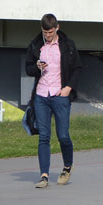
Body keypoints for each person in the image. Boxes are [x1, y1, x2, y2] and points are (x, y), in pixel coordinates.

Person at [24, 13, 81, 188]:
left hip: (60, 95)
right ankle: (44, 176)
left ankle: (67, 166)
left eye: (50, 32)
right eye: (44, 32)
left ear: (57, 28)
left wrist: (68, 88)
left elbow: (77, 68)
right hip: (41, 96)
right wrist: (37, 67)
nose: (47, 36)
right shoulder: (36, 45)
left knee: (63, 136)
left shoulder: (67, 45)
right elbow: (28, 68)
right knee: (44, 136)